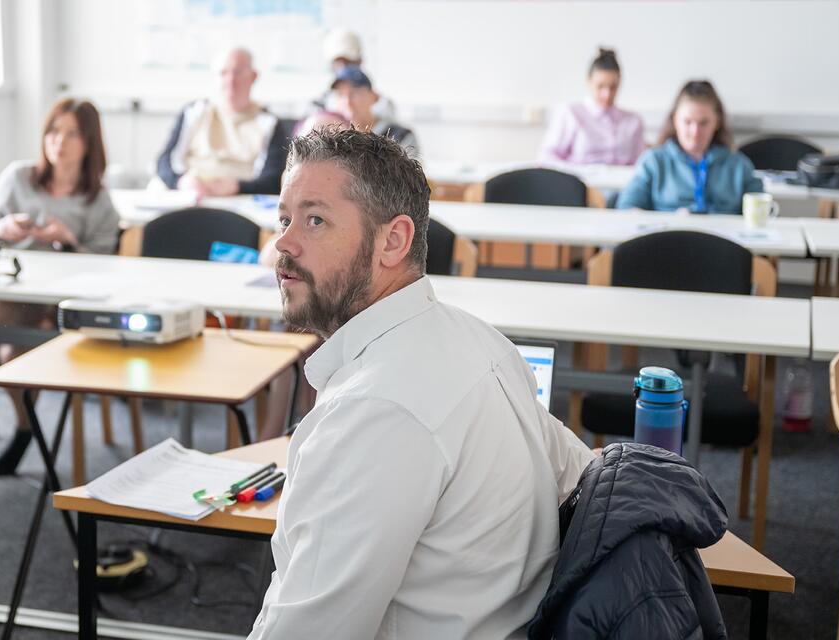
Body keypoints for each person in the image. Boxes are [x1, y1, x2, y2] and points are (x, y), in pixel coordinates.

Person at [248, 128, 594, 639]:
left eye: (315, 220)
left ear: (393, 241)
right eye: (285, 218)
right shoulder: (483, 341)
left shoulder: (375, 412)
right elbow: (579, 479)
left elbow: (308, 631)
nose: (283, 242)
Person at [0, 97, 120, 476]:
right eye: (54, 131)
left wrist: (70, 241)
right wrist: (0, 229)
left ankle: (25, 431)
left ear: (89, 143)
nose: (59, 141)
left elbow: (108, 266)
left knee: (10, 358)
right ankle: (24, 426)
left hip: (66, 303)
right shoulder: (18, 177)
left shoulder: (99, 200)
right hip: (17, 292)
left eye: (72, 134)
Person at [155, 48, 290, 197]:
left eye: (237, 72)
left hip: (239, 199)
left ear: (253, 77)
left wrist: (237, 187)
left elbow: (272, 180)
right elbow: (164, 162)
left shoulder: (269, 123)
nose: (230, 80)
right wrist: (181, 182)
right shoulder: (194, 112)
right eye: (223, 73)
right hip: (191, 193)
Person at [616, 80, 762, 213]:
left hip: (724, 240)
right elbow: (627, 206)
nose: (695, 132)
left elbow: (764, 212)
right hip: (669, 239)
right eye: (687, 122)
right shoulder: (654, 161)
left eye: (703, 123)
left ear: (716, 122)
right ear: (675, 120)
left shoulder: (739, 166)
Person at [540, 48, 644, 166]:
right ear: (588, 82)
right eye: (600, 86)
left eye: (613, 87)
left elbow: (640, 164)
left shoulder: (633, 121)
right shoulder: (571, 113)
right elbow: (547, 156)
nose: (607, 94)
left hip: (622, 183)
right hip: (579, 182)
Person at [329, 66, 419, 157]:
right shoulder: (334, 139)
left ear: (374, 97)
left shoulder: (400, 136)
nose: (347, 102)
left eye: (355, 93)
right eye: (340, 95)